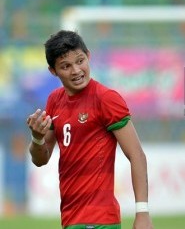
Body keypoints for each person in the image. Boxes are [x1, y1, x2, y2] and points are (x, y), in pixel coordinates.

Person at [26, 30, 153, 229]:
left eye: (80, 61)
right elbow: (40, 159)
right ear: (53, 71)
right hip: (70, 218)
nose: (76, 70)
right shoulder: (54, 100)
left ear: (88, 56)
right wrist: (37, 138)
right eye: (66, 66)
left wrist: (142, 213)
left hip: (99, 219)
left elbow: (136, 155)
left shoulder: (106, 98)